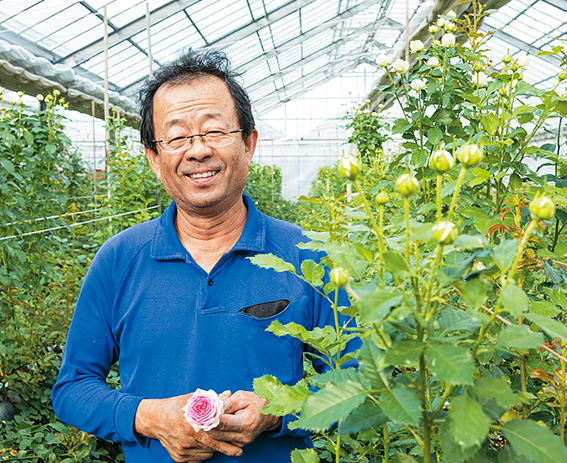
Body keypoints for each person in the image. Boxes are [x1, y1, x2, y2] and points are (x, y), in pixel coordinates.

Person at [51, 49, 361, 462]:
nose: (197, 151)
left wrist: (277, 412)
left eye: (215, 131)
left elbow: (358, 382)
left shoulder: (306, 256)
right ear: (155, 160)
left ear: (249, 143)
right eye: (176, 137)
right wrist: (147, 415)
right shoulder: (119, 259)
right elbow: (73, 388)